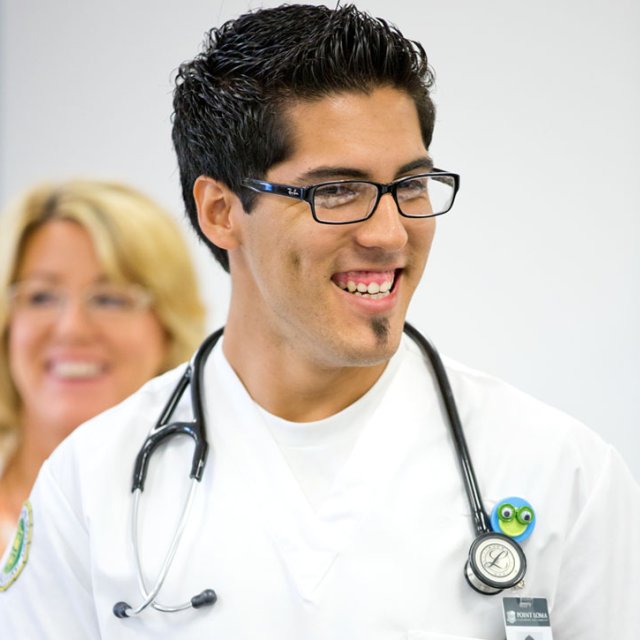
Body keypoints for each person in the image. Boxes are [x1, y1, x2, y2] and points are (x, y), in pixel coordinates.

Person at [1, 5, 638, 638]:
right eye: (337, 191)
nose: (390, 235)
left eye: (411, 186)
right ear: (222, 211)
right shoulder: (90, 483)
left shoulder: (560, 472)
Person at [0, 179, 205, 555]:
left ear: (167, 326)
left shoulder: (213, 508)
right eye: (41, 296)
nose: (72, 329)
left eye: (110, 299)